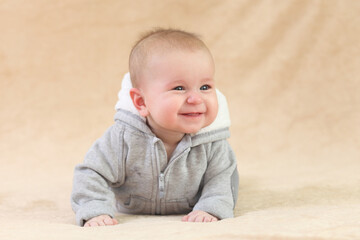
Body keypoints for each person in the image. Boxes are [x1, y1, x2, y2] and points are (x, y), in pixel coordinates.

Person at [71, 28, 239, 227]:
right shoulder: (122, 139)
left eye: (205, 87)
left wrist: (211, 208)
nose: (196, 99)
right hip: (130, 212)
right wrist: (95, 209)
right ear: (141, 102)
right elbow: (91, 173)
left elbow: (222, 179)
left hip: (189, 213)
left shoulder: (213, 143)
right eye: (179, 88)